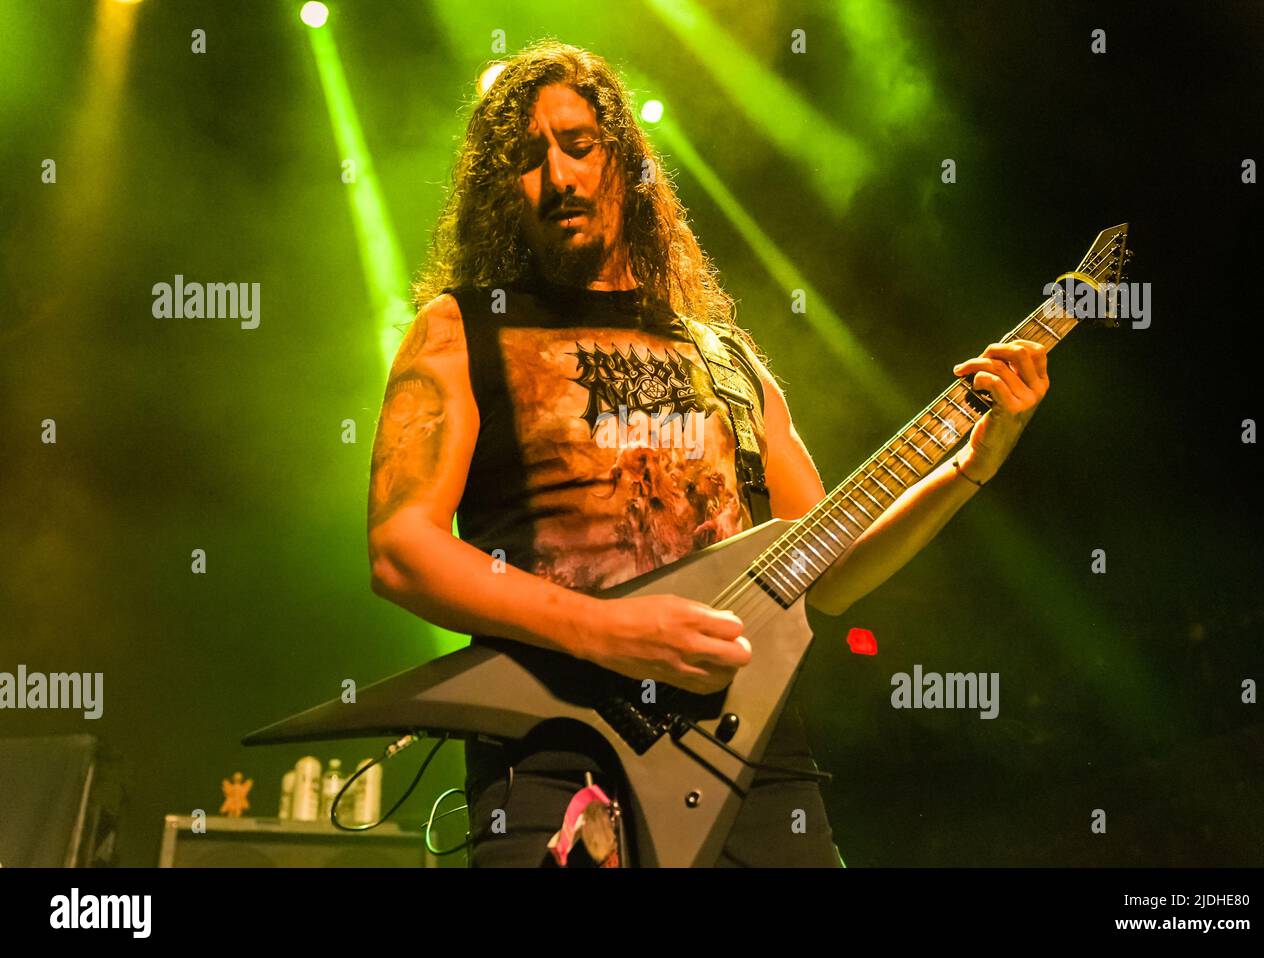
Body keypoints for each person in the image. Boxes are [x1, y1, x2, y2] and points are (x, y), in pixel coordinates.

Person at [365, 41, 1049, 867]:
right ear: (498, 190)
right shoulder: (460, 330)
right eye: (527, 158)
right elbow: (402, 551)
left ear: (627, 163)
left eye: (580, 145)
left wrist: (972, 462)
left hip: (755, 770)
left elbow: (828, 572)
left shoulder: (724, 356)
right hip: (553, 763)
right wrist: (606, 631)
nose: (559, 177)